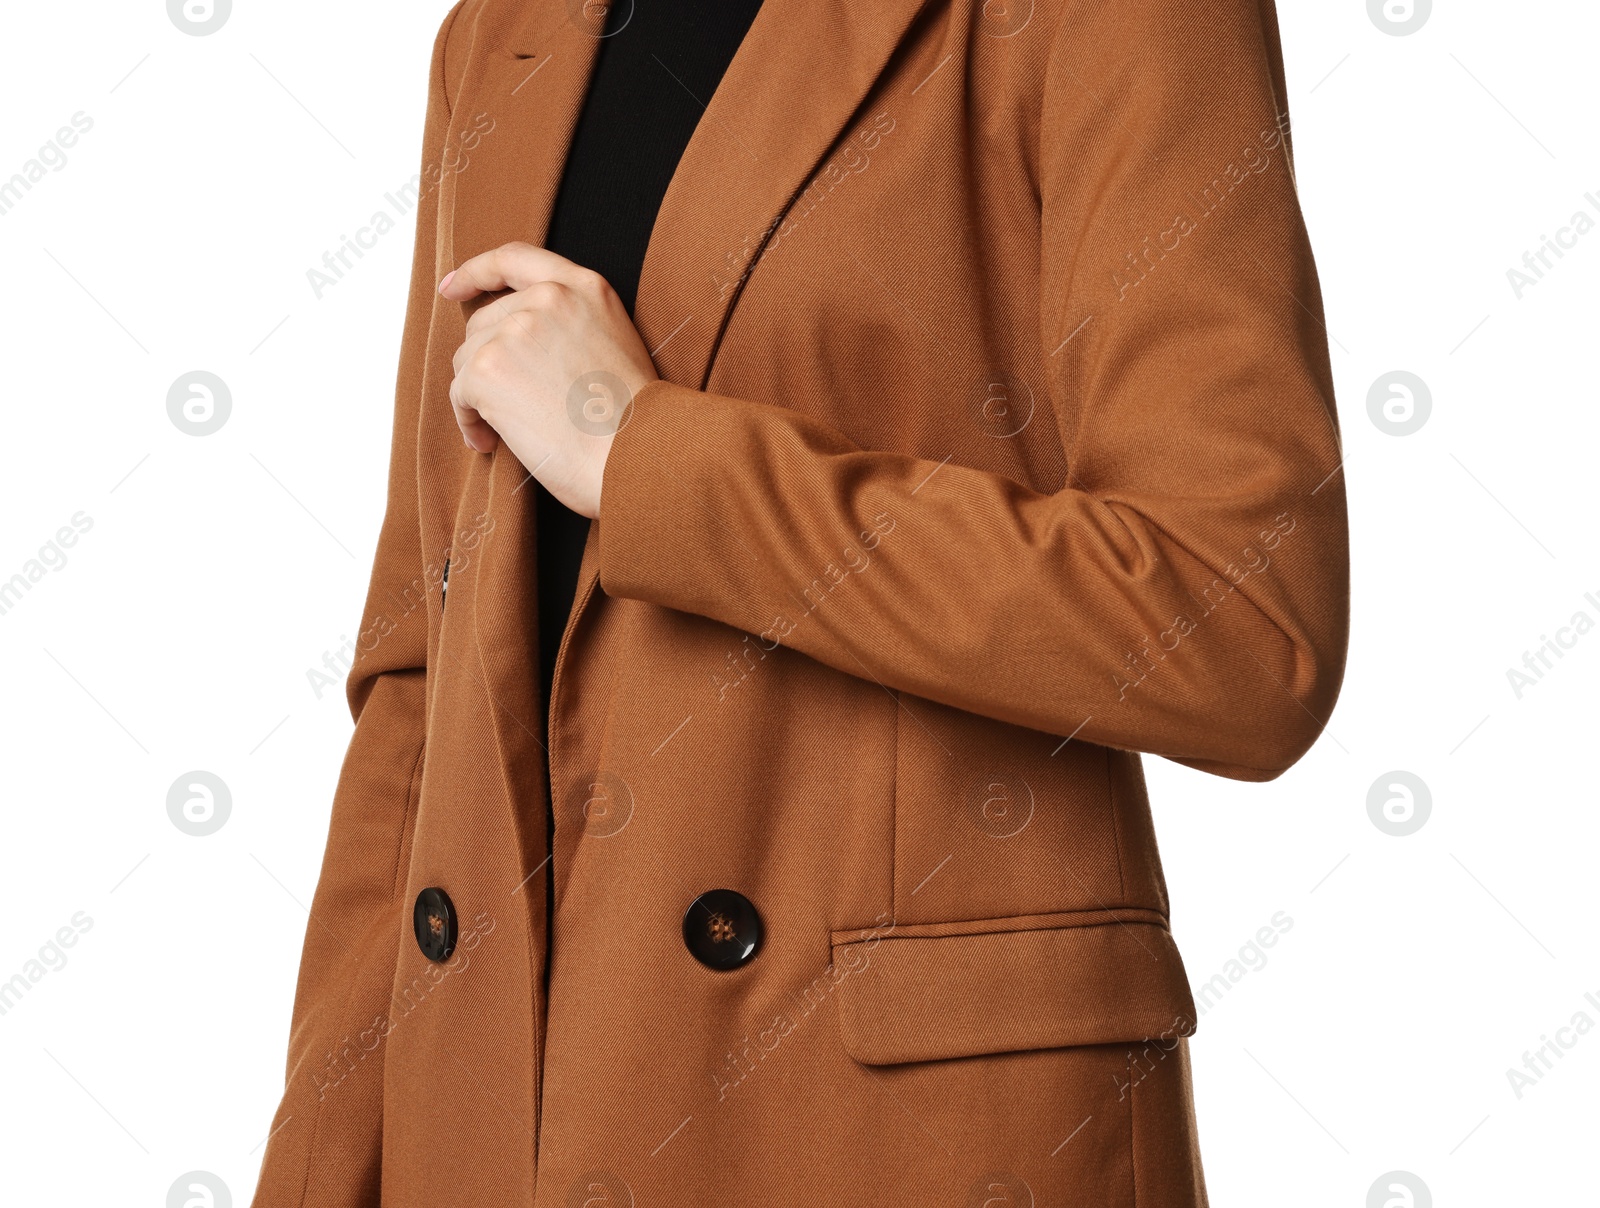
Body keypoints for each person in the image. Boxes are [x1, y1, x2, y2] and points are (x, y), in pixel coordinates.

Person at [250, 0, 1350, 1203]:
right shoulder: (498, 33)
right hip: (485, 1133)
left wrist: (647, 457)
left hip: (896, 1131)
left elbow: (1242, 625)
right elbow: (425, 677)